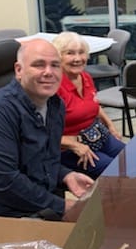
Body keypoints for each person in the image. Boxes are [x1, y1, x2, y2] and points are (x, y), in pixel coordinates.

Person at [0, 38, 94, 218]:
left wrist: (66, 175)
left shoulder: (55, 105)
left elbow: (42, 160)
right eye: (39, 65)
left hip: (30, 206)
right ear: (19, 70)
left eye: (55, 65)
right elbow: (5, 184)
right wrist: (63, 206)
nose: (49, 72)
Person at [52, 31, 125, 178]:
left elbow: (94, 105)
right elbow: (42, 133)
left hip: (97, 135)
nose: (77, 58)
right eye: (70, 53)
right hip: (69, 149)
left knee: (133, 158)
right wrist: (74, 145)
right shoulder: (53, 88)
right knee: (116, 172)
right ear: (58, 57)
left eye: (81, 53)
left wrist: (110, 126)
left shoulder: (85, 77)